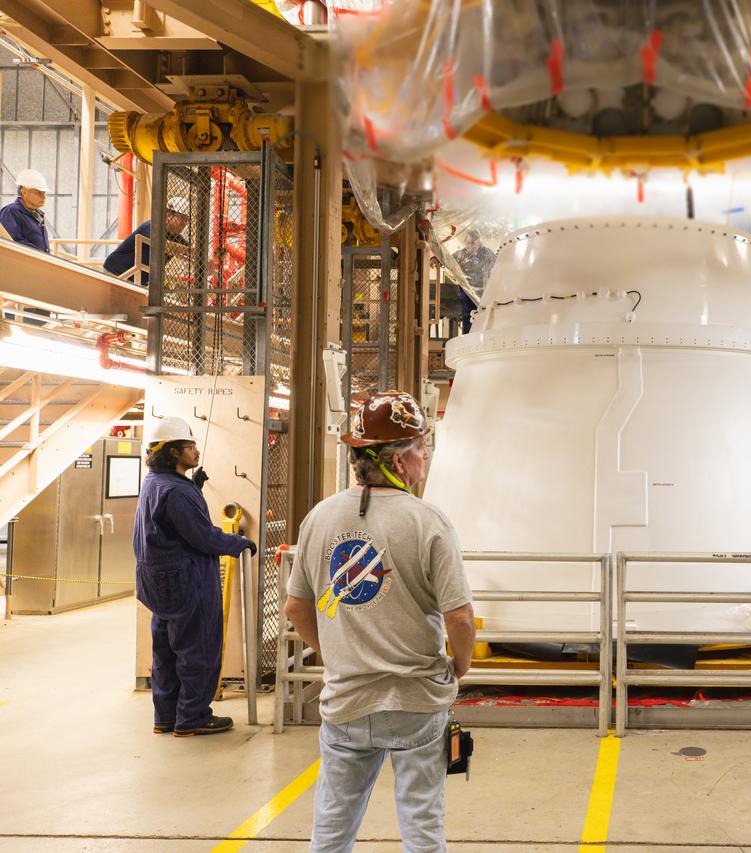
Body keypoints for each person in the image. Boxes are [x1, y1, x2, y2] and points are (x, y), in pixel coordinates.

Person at [284, 390, 475, 853]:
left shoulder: (319, 518)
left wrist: (335, 654)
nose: (426, 457)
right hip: (416, 699)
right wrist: (460, 666)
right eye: (422, 447)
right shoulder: (429, 522)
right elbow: (459, 617)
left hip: (346, 699)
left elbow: (295, 607)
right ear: (400, 459)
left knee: (332, 824)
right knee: (422, 822)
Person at [134, 416, 257, 737]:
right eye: (190, 447)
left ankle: (165, 716)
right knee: (197, 649)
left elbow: (169, 521)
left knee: (165, 651)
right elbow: (202, 537)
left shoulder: (154, 483)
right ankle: (193, 717)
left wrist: (193, 487)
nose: (196, 452)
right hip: (185, 581)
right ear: (173, 452)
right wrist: (239, 543)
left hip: (155, 582)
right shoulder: (178, 492)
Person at [103, 198, 190, 285]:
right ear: (169, 215)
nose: (184, 223)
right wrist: (185, 250)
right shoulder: (151, 226)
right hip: (116, 273)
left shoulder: (176, 238)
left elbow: (192, 252)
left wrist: (190, 251)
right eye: (182, 218)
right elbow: (162, 245)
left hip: (136, 280)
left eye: (186, 219)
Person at [0, 169, 51, 253]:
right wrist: (40, 255)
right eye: (38, 192)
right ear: (24, 192)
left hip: (38, 260)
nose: (43, 197)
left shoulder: (37, 214)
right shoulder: (10, 212)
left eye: (44, 193)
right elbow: (12, 242)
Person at [455, 228, 494, 333]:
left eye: (473, 243)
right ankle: (468, 335)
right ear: (465, 242)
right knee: (467, 315)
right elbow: (447, 259)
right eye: (468, 243)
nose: (470, 246)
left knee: (484, 315)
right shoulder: (461, 254)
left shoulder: (486, 253)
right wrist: (435, 260)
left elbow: (498, 260)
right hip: (467, 291)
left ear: (478, 242)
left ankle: (483, 335)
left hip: (483, 290)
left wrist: (491, 264)